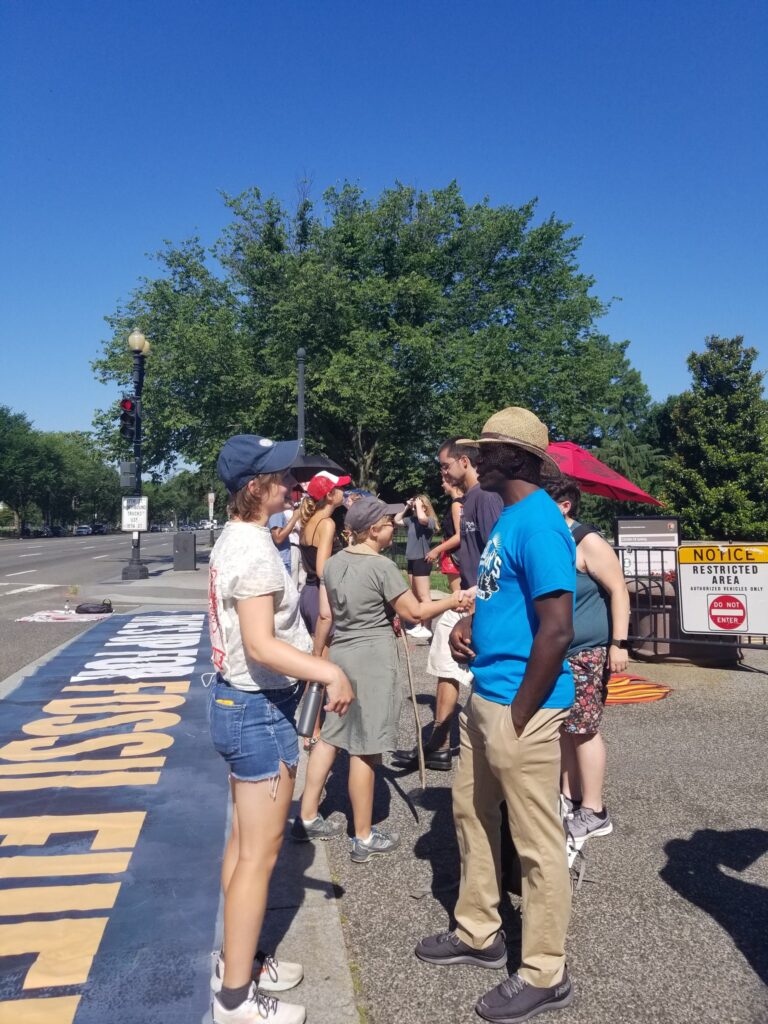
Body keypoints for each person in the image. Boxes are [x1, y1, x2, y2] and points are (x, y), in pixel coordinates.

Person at [415, 407, 577, 1024]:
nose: (475, 459)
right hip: (486, 694)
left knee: (537, 844)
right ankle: (479, 931)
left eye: (486, 450)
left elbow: (557, 630)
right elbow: (502, 600)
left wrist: (520, 711)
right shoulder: (507, 520)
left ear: (518, 458)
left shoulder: (538, 523)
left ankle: (544, 971)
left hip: (520, 707)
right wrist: (468, 626)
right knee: (470, 815)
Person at [208, 434, 354, 1024]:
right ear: (254, 488)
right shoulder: (255, 551)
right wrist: (328, 668)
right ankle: (236, 998)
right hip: (258, 709)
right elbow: (262, 644)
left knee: (244, 846)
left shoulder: (242, 539)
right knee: (257, 856)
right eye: (280, 476)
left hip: (238, 706)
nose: (292, 483)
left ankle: (236, 960)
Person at [292, 496, 468, 861]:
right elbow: (416, 612)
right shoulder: (381, 566)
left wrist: (318, 654)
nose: (395, 528)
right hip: (372, 660)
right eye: (390, 524)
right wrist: (455, 601)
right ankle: (362, 835)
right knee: (366, 749)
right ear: (373, 530)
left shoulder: (335, 562)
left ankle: (307, 815)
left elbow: (327, 615)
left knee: (331, 739)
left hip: (341, 655)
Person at [392, 439, 502, 771]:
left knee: (466, 670)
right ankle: (438, 745)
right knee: (443, 664)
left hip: (480, 600)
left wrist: (478, 602)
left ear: (464, 462)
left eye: (444, 465)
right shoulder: (468, 500)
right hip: (466, 598)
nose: (441, 472)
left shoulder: (485, 497)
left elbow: (498, 553)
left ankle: (466, 750)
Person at [544, 474, 630, 847]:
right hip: (559, 651)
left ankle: (594, 811)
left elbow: (618, 591)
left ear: (564, 505)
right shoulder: (551, 539)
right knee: (566, 725)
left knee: (585, 729)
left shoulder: (587, 540)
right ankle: (569, 794)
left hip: (587, 651)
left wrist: (619, 644)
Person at [298, 471, 351, 638]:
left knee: (316, 658)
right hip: (321, 598)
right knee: (323, 659)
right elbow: (322, 571)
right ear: (330, 495)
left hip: (308, 593)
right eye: (341, 487)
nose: (344, 490)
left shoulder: (308, 521)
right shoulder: (327, 524)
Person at [395, 494, 438, 639]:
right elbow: (396, 520)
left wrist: (419, 505)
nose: (415, 507)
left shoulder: (429, 521)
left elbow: (422, 519)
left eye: (418, 505)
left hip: (422, 559)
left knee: (424, 595)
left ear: (425, 507)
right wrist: (407, 506)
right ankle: (419, 625)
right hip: (412, 559)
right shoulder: (411, 520)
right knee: (415, 593)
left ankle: (427, 627)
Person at [425, 478, 464, 593]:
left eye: (444, 482)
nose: (442, 485)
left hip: (456, 556)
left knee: (459, 595)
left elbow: (459, 536)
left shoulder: (457, 504)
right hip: (457, 554)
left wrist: (436, 551)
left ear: (452, 483)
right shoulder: (457, 502)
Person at [268, 495, 302, 588]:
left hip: (286, 557)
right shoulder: (277, 513)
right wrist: (295, 518)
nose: (292, 501)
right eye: (288, 498)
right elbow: (278, 538)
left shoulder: (279, 513)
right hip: (283, 560)